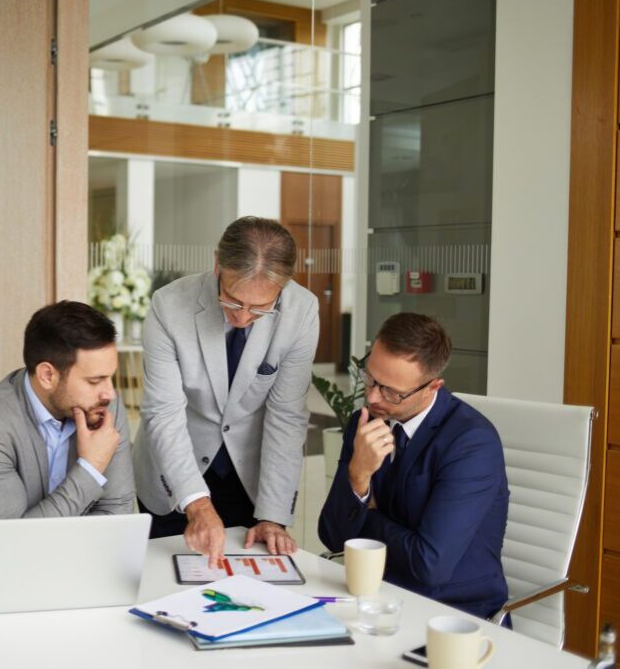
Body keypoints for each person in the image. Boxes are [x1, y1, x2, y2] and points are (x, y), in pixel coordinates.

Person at [134, 216, 320, 566]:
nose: (243, 317)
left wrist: (273, 515)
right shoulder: (169, 305)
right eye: (233, 301)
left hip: (249, 476)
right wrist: (197, 502)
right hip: (175, 471)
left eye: (260, 308)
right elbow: (164, 412)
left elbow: (286, 416)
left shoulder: (302, 311)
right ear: (217, 263)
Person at [318, 313, 509, 620]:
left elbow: (428, 566)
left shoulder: (471, 443)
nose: (371, 396)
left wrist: (368, 515)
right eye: (370, 378)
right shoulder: (366, 423)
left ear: (433, 387)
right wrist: (358, 475)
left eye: (391, 392)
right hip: (375, 599)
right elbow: (332, 535)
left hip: (453, 614)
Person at [0, 301, 135, 568]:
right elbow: (15, 542)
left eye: (110, 378)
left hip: (71, 571)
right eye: (94, 381)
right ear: (47, 375)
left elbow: (116, 512)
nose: (109, 393)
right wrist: (91, 469)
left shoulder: (103, 408)